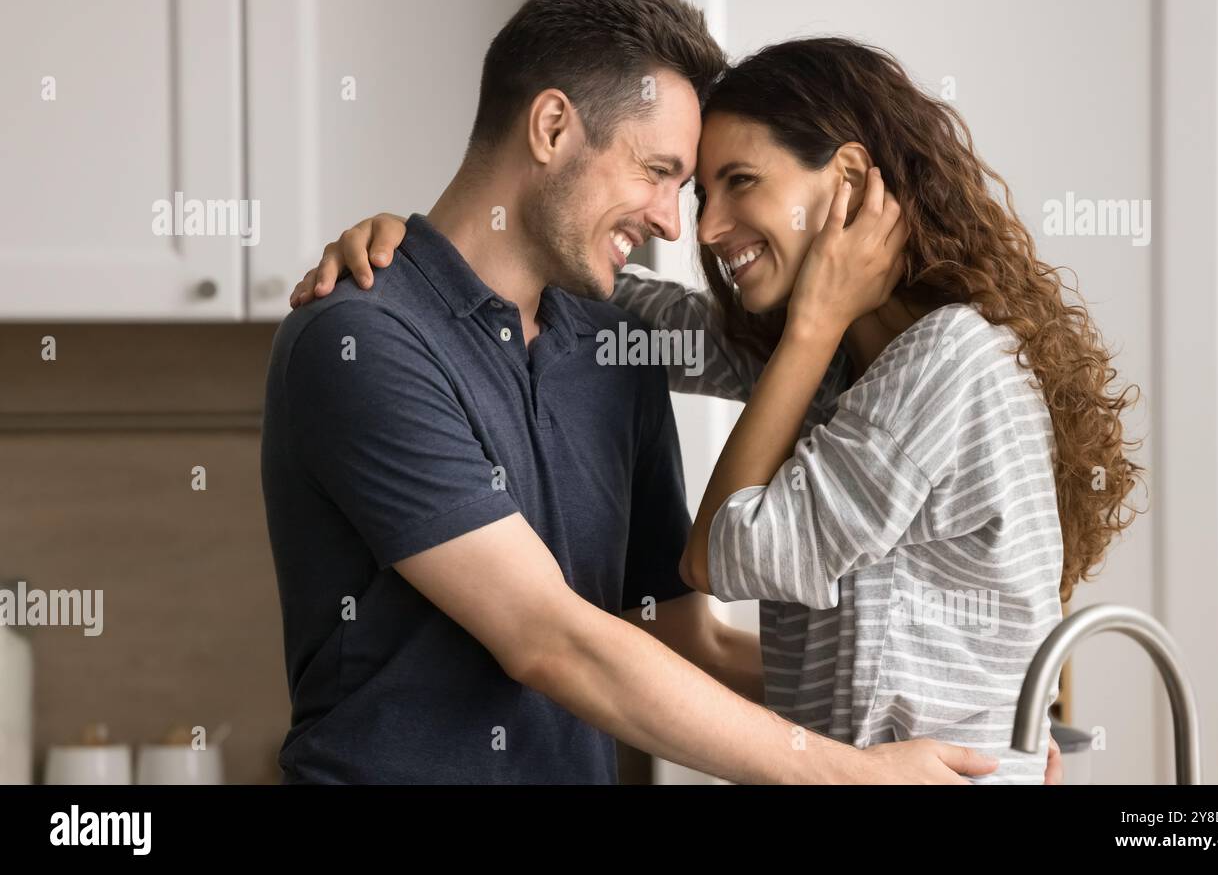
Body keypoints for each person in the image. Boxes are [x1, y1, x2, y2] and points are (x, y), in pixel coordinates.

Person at [294, 38, 1117, 782]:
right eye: (678, 183)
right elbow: (611, 309)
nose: (697, 227)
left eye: (736, 183)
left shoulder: (934, 362)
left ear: (851, 184)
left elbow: (714, 566)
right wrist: (414, 252)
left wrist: (955, 745)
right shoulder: (832, 366)